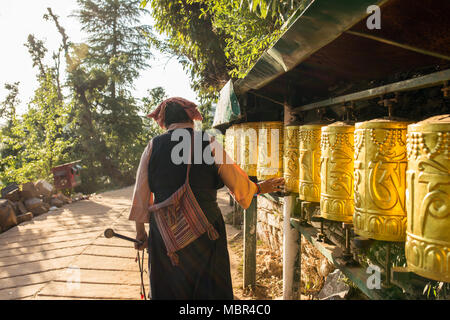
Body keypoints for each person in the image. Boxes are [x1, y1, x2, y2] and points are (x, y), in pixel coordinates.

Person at [129, 97, 285, 300]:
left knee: (168, 290)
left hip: (165, 234)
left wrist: (141, 235)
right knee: (210, 293)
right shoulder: (208, 142)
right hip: (206, 230)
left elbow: (141, 195)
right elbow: (237, 183)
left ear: (164, 123)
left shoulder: (153, 146)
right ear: (190, 119)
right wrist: (259, 188)